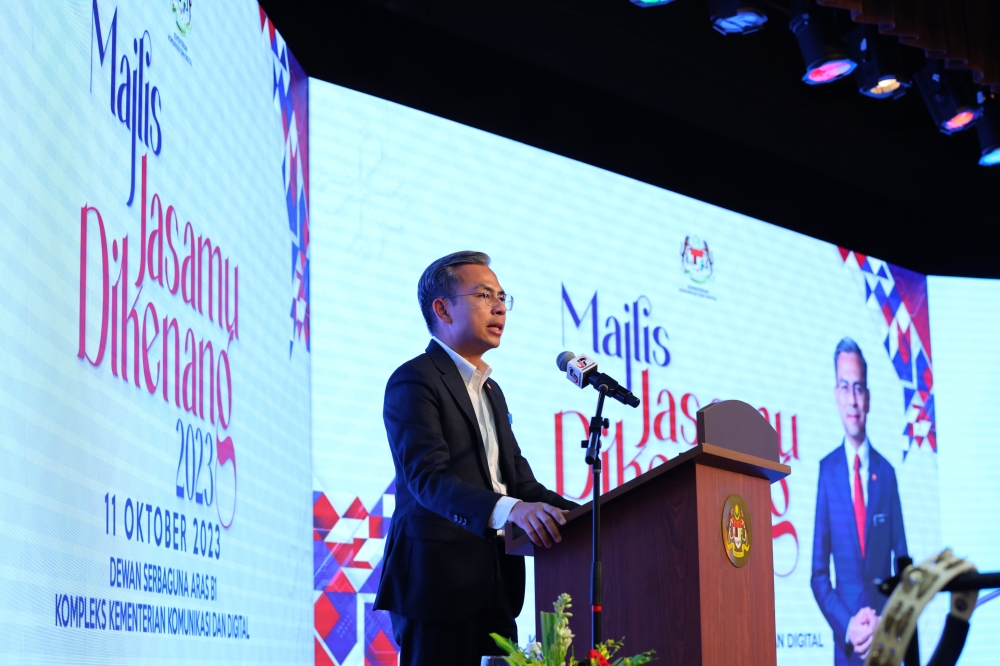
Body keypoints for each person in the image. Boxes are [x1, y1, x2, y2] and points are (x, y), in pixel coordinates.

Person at [374, 251, 579, 666]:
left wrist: (594, 519)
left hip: (497, 587)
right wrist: (514, 510)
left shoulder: (491, 391)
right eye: (485, 295)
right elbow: (428, 479)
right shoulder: (415, 379)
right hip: (438, 587)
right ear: (442, 308)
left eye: (503, 296)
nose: (500, 307)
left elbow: (521, 486)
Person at [811, 338, 908, 665]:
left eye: (859, 388)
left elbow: (904, 565)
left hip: (888, 643)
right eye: (845, 387)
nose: (853, 399)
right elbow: (819, 574)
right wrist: (849, 625)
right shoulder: (827, 473)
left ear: (868, 397)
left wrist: (887, 621)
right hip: (848, 647)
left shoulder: (888, 473)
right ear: (836, 395)